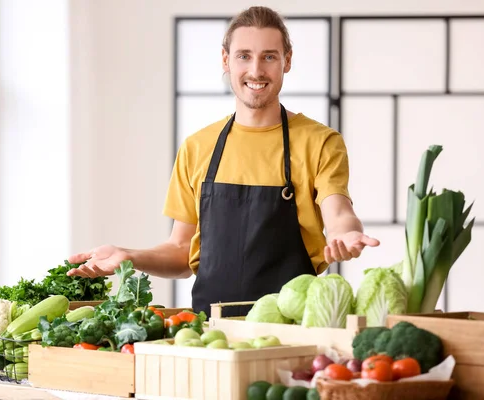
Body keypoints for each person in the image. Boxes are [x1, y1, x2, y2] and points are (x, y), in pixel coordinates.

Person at [67, 6, 380, 318]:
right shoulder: (197, 147)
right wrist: (128, 256)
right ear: (226, 60)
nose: (256, 70)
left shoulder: (320, 141)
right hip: (210, 333)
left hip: (293, 329)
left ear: (287, 61)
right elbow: (181, 253)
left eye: (269, 56)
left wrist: (346, 234)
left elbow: (338, 213)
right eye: (244, 55)